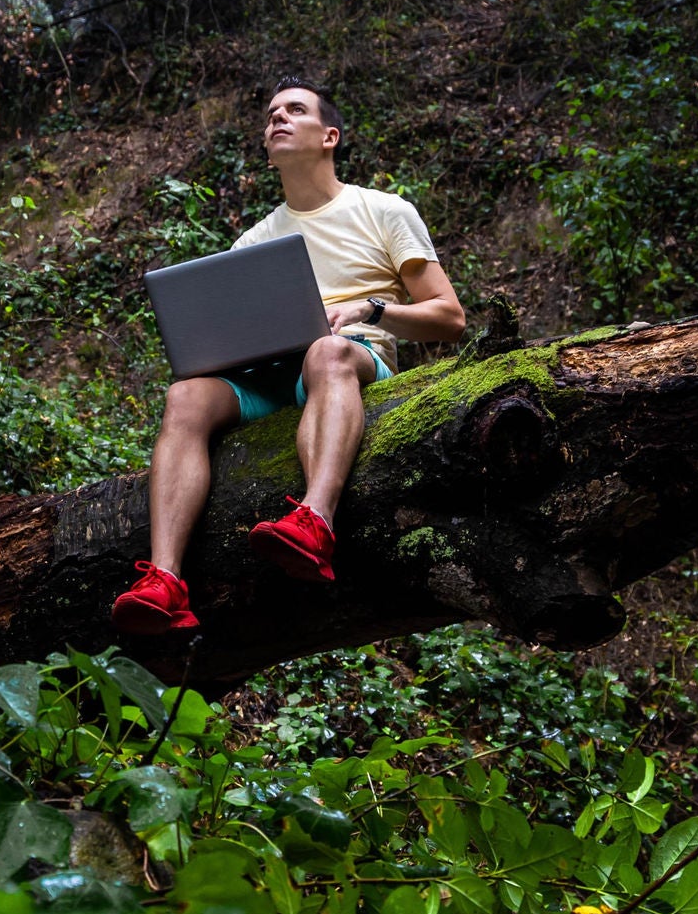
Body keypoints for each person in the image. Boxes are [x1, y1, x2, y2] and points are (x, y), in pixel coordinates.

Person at [112, 80, 466, 634]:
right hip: (268, 374)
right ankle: (166, 580)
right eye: (272, 113)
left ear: (329, 136)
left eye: (295, 110)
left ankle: (315, 521)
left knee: (326, 350)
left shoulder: (383, 211)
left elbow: (450, 317)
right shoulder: (253, 242)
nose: (277, 118)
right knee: (185, 397)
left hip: (348, 356)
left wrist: (371, 310)